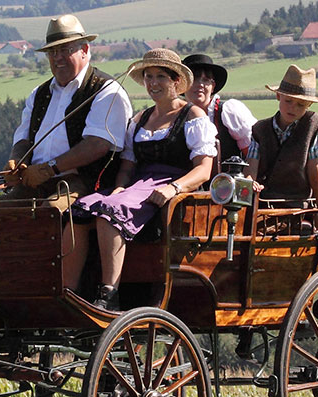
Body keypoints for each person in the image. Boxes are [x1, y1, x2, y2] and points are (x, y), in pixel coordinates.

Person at [61, 48, 217, 309]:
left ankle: (109, 294)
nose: (153, 84)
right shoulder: (140, 119)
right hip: (138, 186)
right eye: (148, 77)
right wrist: (120, 186)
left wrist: (173, 188)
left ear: (176, 81)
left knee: (110, 211)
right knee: (80, 209)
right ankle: (70, 293)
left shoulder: (192, 116)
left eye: (160, 77)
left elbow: (203, 170)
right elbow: (127, 167)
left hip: (173, 186)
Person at [0, 14, 132, 209]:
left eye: (65, 50)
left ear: (84, 50)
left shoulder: (107, 90)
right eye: (52, 52)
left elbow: (97, 144)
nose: (57, 57)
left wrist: (48, 169)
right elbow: (24, 139)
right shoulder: (39, 94)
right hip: (37, 180)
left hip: (85, 182)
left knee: (51, 212)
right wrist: (16, 160)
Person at [248, 65, 318, 210]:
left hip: (299, 205)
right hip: (263, 204)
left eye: (300, 105)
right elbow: (251, 169)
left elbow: (314, 168)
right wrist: (250, 182)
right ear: (278, 96)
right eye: (288, 101)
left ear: (309, 105)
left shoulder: (314, 126)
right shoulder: (259, 129)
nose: (292, 108)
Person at [181, 54, 255, 163]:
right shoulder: (174, 117)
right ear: (183, 84)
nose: (200, 84)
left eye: (206, 80)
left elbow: (253, 152)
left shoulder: (229, 111)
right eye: (195, 79)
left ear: (213, 86)